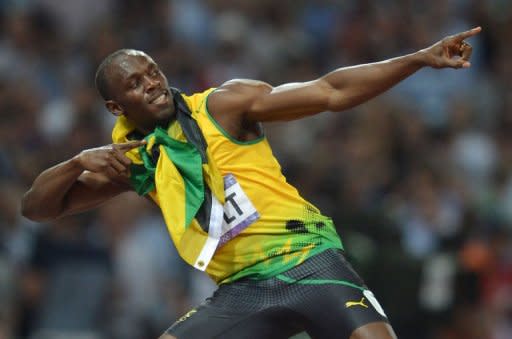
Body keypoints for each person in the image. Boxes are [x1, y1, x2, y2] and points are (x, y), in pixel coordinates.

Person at [21, 26, 481, 339]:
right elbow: (39, 208)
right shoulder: (141, 161)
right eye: (137, 84)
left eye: (154, 72)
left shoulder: (223, 105)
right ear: (116, 108)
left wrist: (419, 59)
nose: (154, 85)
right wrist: (75, 162)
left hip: (312, 262)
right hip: (244, 290)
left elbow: (330, 91)